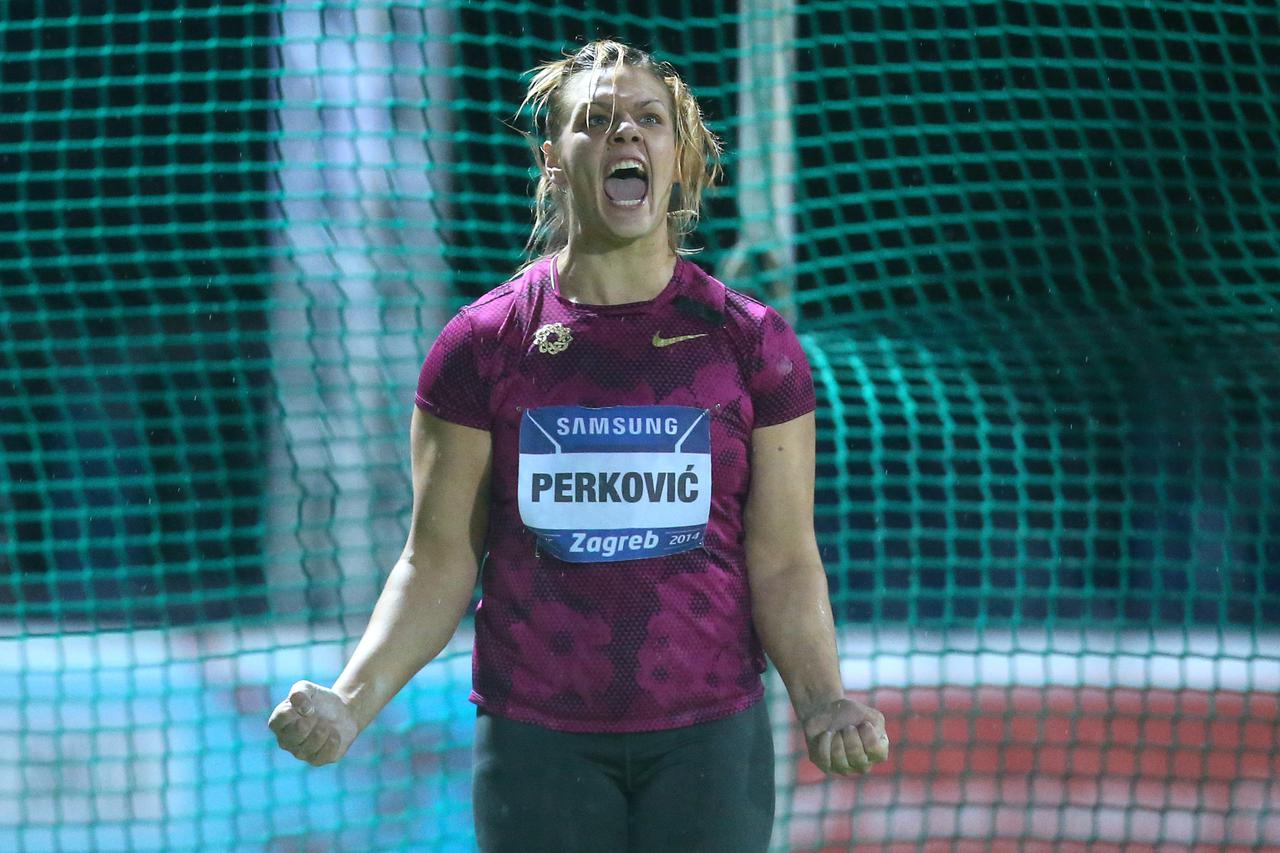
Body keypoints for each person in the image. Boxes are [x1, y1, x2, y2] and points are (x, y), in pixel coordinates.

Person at [268, 39, 889, 852]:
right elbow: (437, 560)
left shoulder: (751, 344)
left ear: (681, 156)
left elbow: (781, 557)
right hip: (536, 743)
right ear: (555, 162)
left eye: (648, 119)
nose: (624, 134)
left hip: (711, 739)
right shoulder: (482, 345)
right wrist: (350, 700)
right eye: (595, 120)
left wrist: (822, 700)